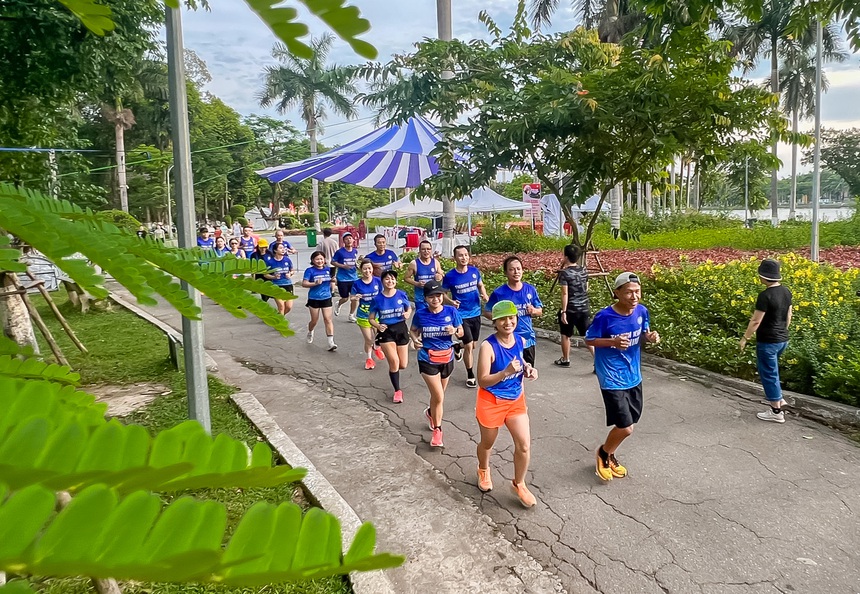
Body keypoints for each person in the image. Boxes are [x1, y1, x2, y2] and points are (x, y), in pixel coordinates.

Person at [585, 272, 660, 481]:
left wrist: (650, 337)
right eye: (628, 292)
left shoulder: (642, 312)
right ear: (617, 293)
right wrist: (613, 342)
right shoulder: (605, 317)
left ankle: (609, 454)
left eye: (637, 292)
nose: (634, 296)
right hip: (611, 376)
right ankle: (603, 453)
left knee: (631, 421)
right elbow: (589, 340)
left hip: (633, 375)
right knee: (626, 427)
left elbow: (644, 334)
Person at [475, 299, 539, 507]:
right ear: (494, 322)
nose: (508, 323)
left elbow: (521, 362)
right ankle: (483, 469)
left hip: (515, 399)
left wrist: (528, 369)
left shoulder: (520, 340)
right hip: (491, 401)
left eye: (511, 318)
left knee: (524, 445)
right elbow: (482, 380)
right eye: (502, 319)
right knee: (487, 443)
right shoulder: (488, 346)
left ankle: (519, 483)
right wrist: (505, 373)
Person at [410, 280, 463, 448]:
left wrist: (454, 331)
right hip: (427, 358)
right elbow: (413, 330)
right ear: (425, 298)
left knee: (437, 397)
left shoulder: (451, 311)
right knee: (439, 396)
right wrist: (415, 340)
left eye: (438, 295)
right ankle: (438, 431)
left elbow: (461, 332)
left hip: (446, 358)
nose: (436, 299)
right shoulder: (420, 314)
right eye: (431, 297)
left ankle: (431, 413)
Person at [740, 258, 793, 423]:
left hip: (768, 342)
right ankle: (779, 399)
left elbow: (756, 321)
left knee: (768, 374)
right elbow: (789, 316)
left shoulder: (765, 296)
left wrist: (745, 338)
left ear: (763, 277)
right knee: (773, 371)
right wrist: (782, 331)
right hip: (782, 340)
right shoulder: (786, 291)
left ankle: (776, 412)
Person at [443, 245, 489, 388]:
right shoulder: (450, 276)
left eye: (466, 255)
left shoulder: (474, 271)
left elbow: (480, 285)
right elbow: (442, 294)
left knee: (472, 344)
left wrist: (485, 294)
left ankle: (457, 347)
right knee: (469, 346)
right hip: (461, 315)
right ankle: (470, 375)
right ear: (455, 258)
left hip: (475, 313)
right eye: (460, 255)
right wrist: (451, 302)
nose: (464, 258)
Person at [485, 256, 543, 366]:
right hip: (508, 339)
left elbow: (540, 310)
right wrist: (500, 318)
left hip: (527, 339)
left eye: (519, 269)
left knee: (527, 371)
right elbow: (487, 311)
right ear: (506, 272)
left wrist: (534, 310)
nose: (516, 272)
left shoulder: (530, 290)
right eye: (512, 269)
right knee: (511, 371)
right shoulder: (499, 293)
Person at [369, 269, 412, 403]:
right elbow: (371, 318)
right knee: (394, 362)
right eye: (387, 279)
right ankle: (397, 391)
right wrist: (377, 326)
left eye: (392, 278)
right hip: (386, 331)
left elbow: (409, 308)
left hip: (401, 329)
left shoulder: (401, 295)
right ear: (382, 281)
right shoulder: (377, 299)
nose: (390, 281)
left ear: (396, 281)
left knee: (403, 364)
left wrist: (407, 314)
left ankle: (377, 347)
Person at [555, 244, 594, 367]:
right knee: (586, 335)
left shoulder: (565, 274)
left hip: (571, 309)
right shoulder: (583, 270)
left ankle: (565, 359)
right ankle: (598, 361)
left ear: (565, 257)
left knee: (566, 335)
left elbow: (565, 293)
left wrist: (564, 312)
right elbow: (586, 287)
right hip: (584, 308)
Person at [351, 259, 384, 369]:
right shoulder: (357, 283)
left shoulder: (378, 281)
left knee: (378, 337)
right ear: (361, 270)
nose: (367, 271)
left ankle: (377, 347)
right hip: (363, 315)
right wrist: (355, 298)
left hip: (377, 315)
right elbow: (352, 297)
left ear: (372, 269)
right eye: (365, 268)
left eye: (369, 268)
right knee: (368, 339)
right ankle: (369, 359)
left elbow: (384, 294)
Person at [302, 250, 338, 351]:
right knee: (314, 320)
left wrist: (334, 283)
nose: (319, 261)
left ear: (324, 260)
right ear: (313, 260)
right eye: (317, 259)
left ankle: (331, 342)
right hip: (314, 298)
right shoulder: (310, 271)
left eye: (321, 259)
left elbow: (332, 281)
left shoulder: (328, 270)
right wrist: (315, 283)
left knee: (328, 319)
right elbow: (304, 283)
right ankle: (310, 331)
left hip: (326, 297)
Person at [405, 240, 444, 313]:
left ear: (431, 250)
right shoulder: (414, 263)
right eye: (423, 249)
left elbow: (441, 274)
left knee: (434, 317)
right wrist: (417, 284)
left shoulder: (435, 262)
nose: (426, 251)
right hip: (420, 298)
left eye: (428, 249)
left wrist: (440, 277)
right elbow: (406, 278)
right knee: (422, 319)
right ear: (419, 250)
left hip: (434, 297)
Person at [331, 232, 360, 320]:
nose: (349, 240)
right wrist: (343, 266)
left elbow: (354, 261)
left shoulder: (355, 251)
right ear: (343, 241)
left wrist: (357, 265)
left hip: (354, 278)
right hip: (343, 278)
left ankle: (351, 315)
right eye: (346, 239)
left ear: (353, 240)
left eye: (350, 238)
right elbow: (333, 262)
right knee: (345, 298)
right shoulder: (340, 252)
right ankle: (339, 304)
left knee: (355, 298)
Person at [264, 241, 294, 315]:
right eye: (281, 248)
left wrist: (290, 274)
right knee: (281, 306)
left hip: (288, 284)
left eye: (284, 248)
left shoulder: (287, 260)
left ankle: (278, 316)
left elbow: (292, 270)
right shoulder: (270, 262)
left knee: (289, 307)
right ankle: (280, 324)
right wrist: (273, 277)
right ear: (275, 250)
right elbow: (265, 274)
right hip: (277, 286)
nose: (283, 249)